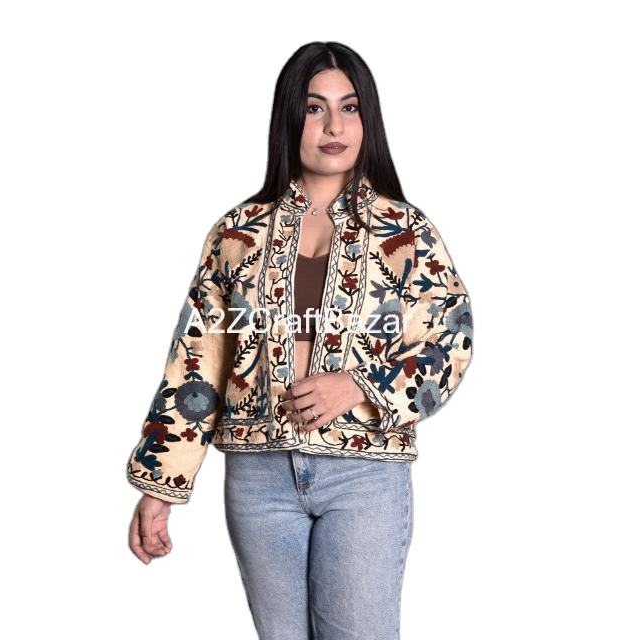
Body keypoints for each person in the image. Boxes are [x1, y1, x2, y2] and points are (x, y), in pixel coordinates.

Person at [127, 41, 473, 640]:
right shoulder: (237, 233)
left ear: (368, 119)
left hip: (364, 474)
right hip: (258, 477)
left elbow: (452, 338)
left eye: (349, 107)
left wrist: (359, 385)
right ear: (290, 118)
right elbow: (196, 362)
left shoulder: (406, 230)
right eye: (315, 108)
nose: (334, 126)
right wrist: (162, 484)